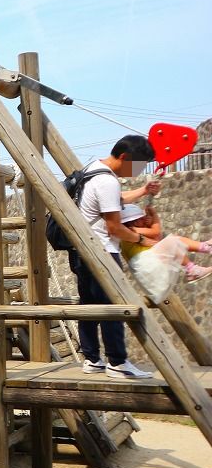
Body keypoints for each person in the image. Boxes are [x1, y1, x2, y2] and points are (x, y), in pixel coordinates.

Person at [73, 135, 161, 378]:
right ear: (124, 157)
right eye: (139, 165)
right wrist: (144, 239)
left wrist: (143, 190)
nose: (138, 171)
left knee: (89, 306)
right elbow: (115, 229)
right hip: (103, 251)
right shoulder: (107, 182)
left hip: (83, 250)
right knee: (114, 306)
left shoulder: (93, 169)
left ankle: (92, 359)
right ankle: (118, 362)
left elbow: (115, 201)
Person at [117, 203, 212, 298]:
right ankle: (195, 265)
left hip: (146, 268)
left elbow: (157, 238)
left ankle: (201, 254)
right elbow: (156, 231)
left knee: (173, 242)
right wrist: (154, 216)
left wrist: (151, 224)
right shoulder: (131, 230)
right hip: (146, 265)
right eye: (142, 218)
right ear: (134, 221)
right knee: (173, 241)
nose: (144, 219)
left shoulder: (129, 233)